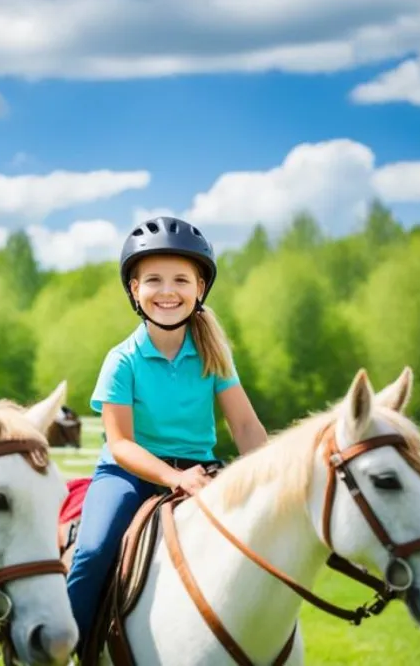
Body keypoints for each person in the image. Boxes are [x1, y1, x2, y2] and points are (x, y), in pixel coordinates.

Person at [65, 217, 269, 648]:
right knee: (93, 551)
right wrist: (175, 478)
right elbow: (119, 444)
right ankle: (67, 650)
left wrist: (270, 476)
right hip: (129, 475)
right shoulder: (122, 361)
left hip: (201, 471)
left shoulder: (215, 354)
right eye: (153, 280)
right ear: (134, 290)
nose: (167, 290)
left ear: (200, 289)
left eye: (181, 279)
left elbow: (246, 425)